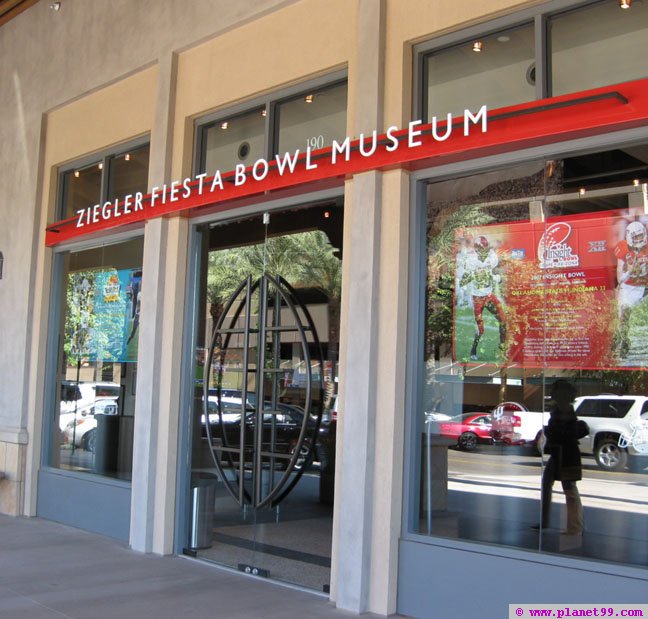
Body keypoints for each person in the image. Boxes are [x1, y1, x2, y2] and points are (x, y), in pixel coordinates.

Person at [537, 379, 589, 535]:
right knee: (550, 483)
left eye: (555, 390)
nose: (552, 393)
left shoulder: (564, 410)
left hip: (566, 453)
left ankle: (575, 526)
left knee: (569, 489)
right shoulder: (560, 409)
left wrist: (551, 432)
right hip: (561, 452)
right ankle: (550, 522)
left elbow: (563, 432)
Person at [460, 235, 506, 360]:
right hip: (478, 299)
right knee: (480, 329)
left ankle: (503, 350)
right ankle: (473, 351)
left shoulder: (491, 256)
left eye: (485, 249)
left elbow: (496, 273)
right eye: (480, 250)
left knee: (503, 321)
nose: (483, 252)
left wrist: (497, 278)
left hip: (489, 296)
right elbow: (463, 280)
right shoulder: (471, 261)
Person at [614, 221, 648, 357]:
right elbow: (620, 278)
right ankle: (623, 341)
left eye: (641, 236)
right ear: (629, 237)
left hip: (645, 285)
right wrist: (630, 270)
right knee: (624, 315)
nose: (639, 240)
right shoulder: (623, 248)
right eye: (636, 237)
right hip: (629, 287)